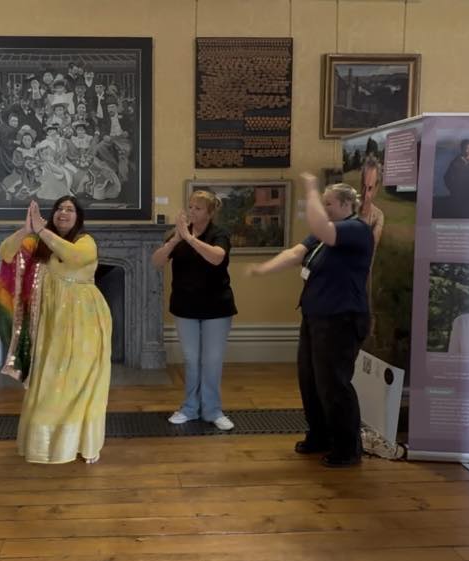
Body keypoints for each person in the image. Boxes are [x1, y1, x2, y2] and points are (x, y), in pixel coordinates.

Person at [247, 173, 373, 468]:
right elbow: (295, 254)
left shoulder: (356, 229)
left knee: (334, 384)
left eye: (329, 203)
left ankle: (346, 448)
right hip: (315, 317)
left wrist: (311, 189)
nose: (324, 207)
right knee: (310, 380)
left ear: (345, 204)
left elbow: (321, 227)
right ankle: (320, 436)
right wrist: (264, 269)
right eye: (323, 202)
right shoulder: (322, 234)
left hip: (341, 319)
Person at [0, 197, 112, 464]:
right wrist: (27, 229)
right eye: (59, 208)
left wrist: (42, 230)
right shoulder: (37, 242)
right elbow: (5, 252)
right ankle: (46, 444)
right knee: (49, 381)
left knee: (81, 381)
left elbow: (74, 258)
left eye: (70, 209)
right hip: (49, 322)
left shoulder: (85, 241)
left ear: (78, 217)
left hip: (84, 321)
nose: (63, 212)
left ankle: (85, 444)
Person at [151, 190, 237, 430]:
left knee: (212, 361)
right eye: (190, 207)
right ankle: (189, 407)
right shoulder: (178, 235)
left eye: (198, 208)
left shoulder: (219, 234)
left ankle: (212, 410)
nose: (191, 212)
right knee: (191, 360)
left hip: (216, 308)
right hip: (185, 307)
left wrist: (189, 239)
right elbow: (156, 262)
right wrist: (176, 239)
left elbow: (217, 258)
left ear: (209, 213)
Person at [443, 139, 469, 212]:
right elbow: (446, 177)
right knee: (458, 213)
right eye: (467, 148)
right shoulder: (456, 161)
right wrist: (452, 189)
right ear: (462, 149)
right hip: (458, 193)